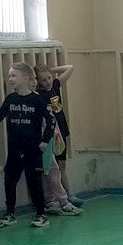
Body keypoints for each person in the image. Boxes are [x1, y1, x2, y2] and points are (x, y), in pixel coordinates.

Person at [0, 62, 56, 228]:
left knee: (34, 182)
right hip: (14, 149)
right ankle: (10, 213)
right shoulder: (10, 99)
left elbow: (51, 121)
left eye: (13, 76)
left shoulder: (37, 100)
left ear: (25, 78)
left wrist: (45, 141)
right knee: (9, 180)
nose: (10, 79)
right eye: (9, 76)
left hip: (32, 150)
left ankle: (41, 214)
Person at [31, 71, 82, 217]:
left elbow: (70, 68)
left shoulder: (54, 87)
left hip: (58, 133)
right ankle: (57, 200)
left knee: (58, 167)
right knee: (50, 169)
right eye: (43, 79)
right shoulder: (38, 96)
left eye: (49, 78)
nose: (47, 81)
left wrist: (52, 70)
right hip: (47, 137)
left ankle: (65, 196)